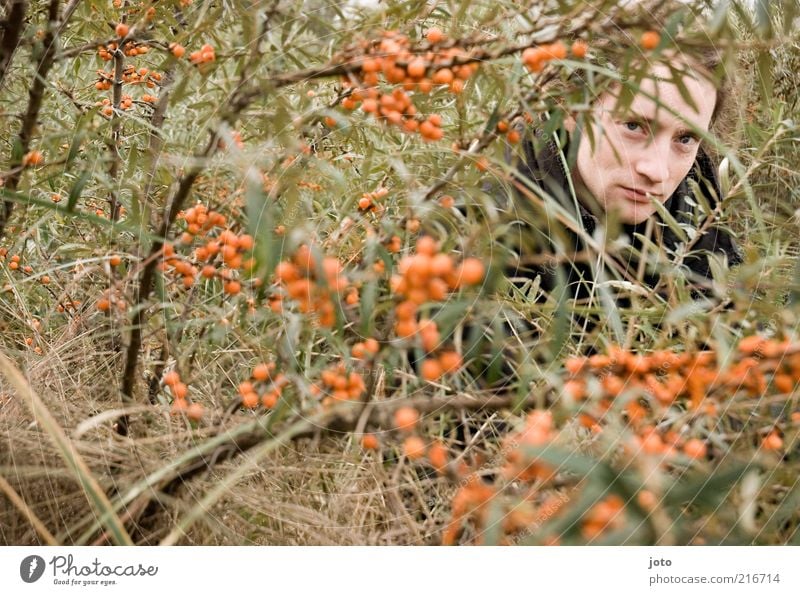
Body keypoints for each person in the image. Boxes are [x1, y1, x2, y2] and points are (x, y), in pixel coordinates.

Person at [504, 49, 743, 313]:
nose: (658, 172)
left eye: (685, 138)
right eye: (633, 126)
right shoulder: (494, 228)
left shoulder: (699, 203)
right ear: (569, 109)